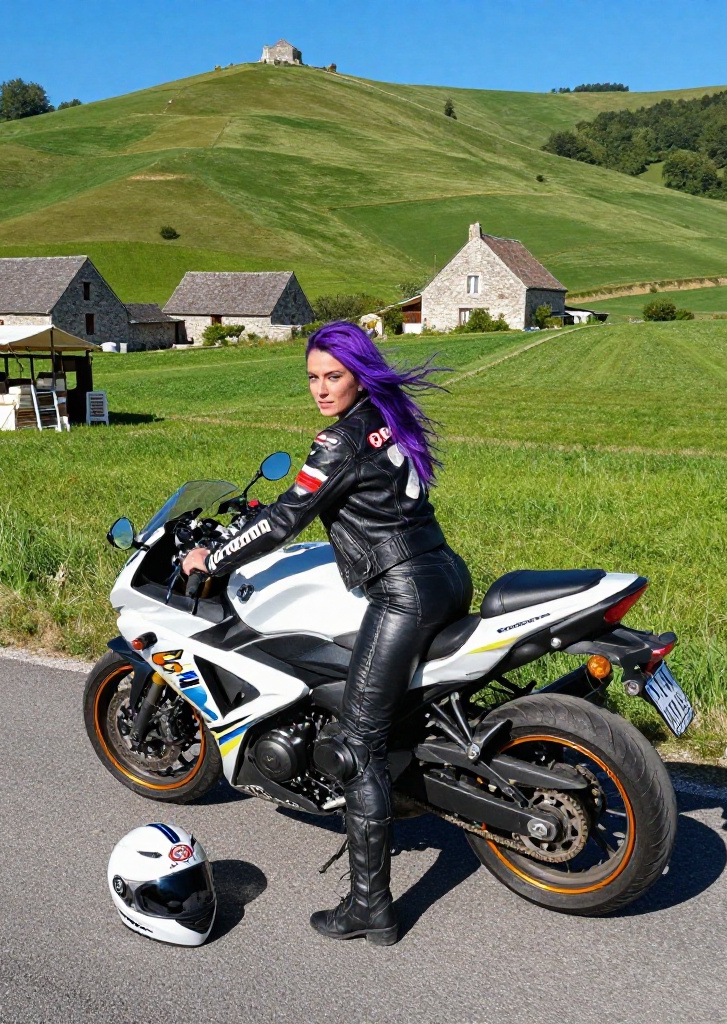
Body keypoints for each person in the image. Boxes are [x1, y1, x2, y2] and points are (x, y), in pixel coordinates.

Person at [182, 321, 472, 945]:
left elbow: (290, 515)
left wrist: (216, 557)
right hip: (443, 572)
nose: (319, 388)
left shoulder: (337, 440)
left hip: (402, 592)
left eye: (332, 376)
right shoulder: (386, 416)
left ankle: (370, 907)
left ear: (357, 374)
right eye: (312, 377)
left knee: (356, 746)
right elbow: (330, 499)